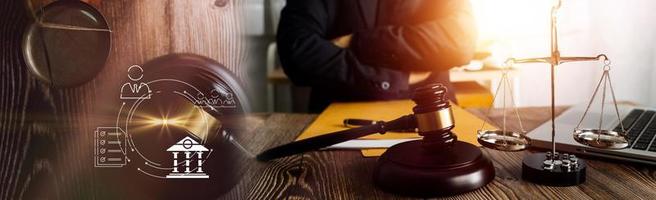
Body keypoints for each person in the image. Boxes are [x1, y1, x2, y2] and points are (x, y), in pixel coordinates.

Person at [277, 0, 476, 112]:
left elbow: (461, 41)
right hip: (339, 122)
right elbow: (297, 52)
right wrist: (396, 78)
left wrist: (357, 42)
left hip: (432, 116)